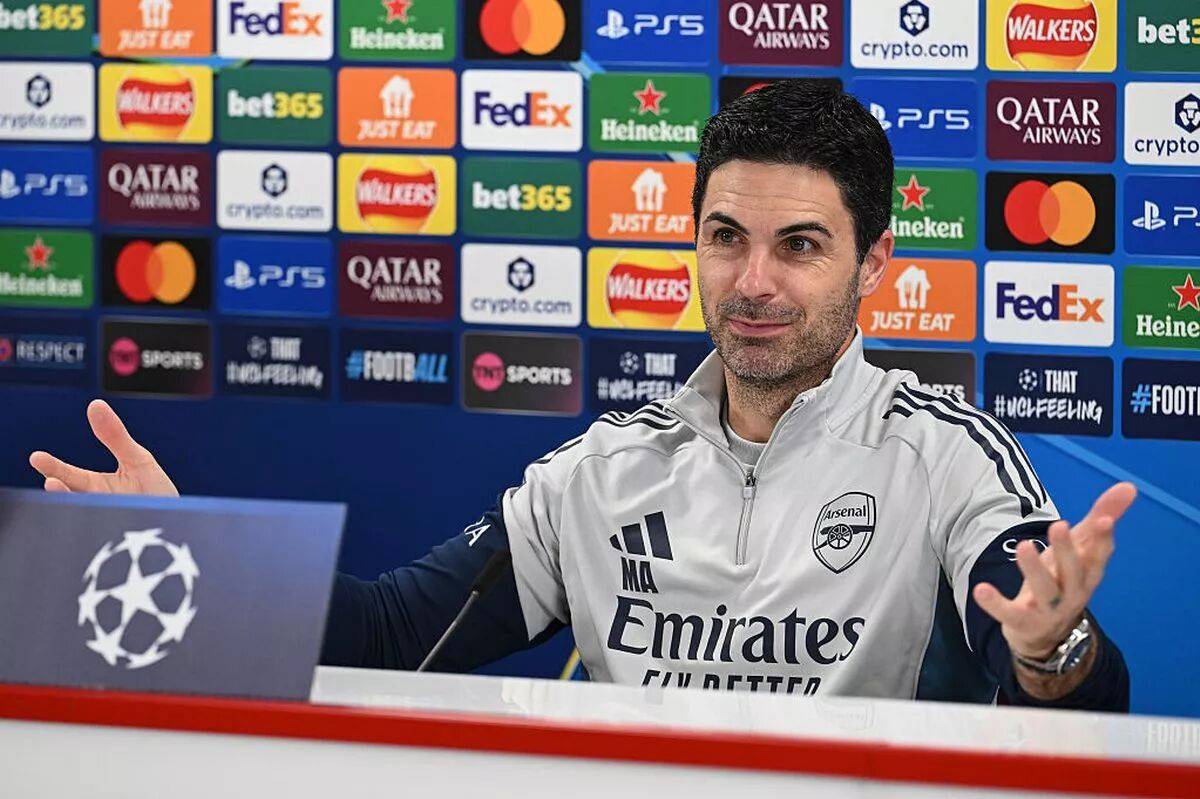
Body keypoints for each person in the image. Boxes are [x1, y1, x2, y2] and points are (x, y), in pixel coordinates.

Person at [29, 81, 1131, 709]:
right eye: (725, 238)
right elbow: (387, 635)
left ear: (874, 261)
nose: (753, 281)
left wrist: (1053, 650)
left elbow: (1077, 682)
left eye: (799, 245)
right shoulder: (599, 474)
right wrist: (191, 551)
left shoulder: (945, 455)